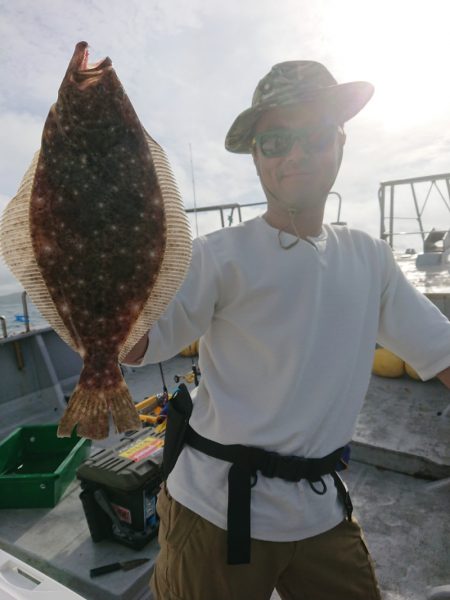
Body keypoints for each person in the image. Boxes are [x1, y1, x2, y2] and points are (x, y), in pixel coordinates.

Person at [124, 61, 450, 600]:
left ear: (340, 142)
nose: (295, 154)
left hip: (322, 509)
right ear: (256, 156)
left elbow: (440, 352)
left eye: (315, 135)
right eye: (275, 141)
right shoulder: (216, 256)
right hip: (214, 513)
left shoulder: (369, 259)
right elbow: (137, 345)